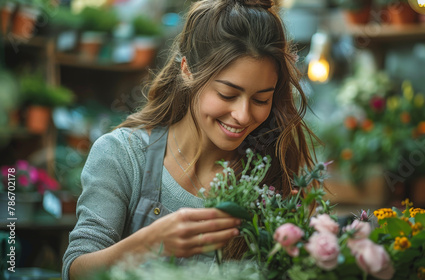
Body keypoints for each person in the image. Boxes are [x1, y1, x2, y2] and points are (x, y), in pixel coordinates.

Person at [62, 0, 319, 279]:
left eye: (261, 99)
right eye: (227, 95)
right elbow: (75, 271)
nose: (243, 115)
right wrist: (148, 244)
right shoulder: (123, 155)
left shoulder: (271, 176)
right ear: (187, 70)